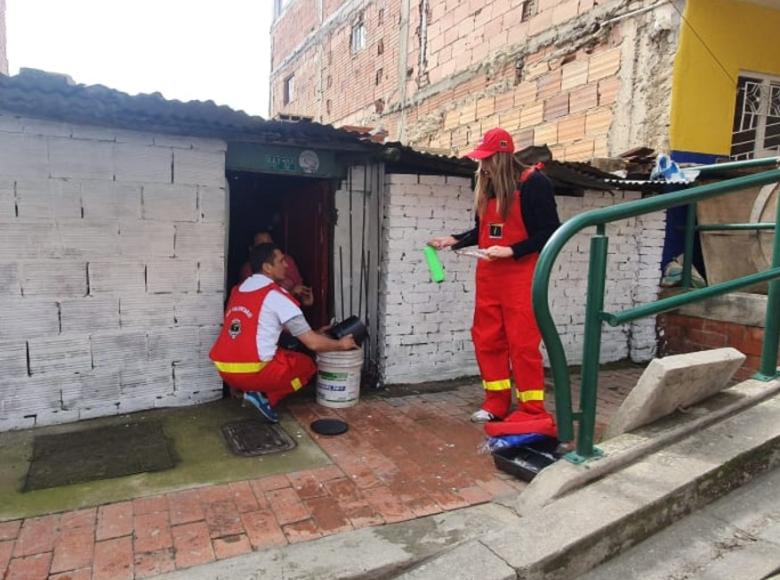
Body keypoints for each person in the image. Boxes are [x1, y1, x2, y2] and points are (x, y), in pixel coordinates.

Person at [428, 127, 560, 438]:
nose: (482, 166)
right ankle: (496, 402)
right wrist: (455, 240)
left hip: (520, 277)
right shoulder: (485, 186)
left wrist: (513, 250)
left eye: (486, 160)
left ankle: (531, 409)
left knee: (523, 343)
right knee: (487, 339)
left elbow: (549, 232)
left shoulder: (535, 184)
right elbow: (484, 232)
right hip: (488, 276)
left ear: (501, 157)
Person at [210, 243, 357, 422]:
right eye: (281, 261)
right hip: (252, 372)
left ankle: (248, 388)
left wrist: (314, 332)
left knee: (278, 352)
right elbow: (313, 344)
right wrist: (341, 345)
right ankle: (263, 397)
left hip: (226, 372)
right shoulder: (276, 296)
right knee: (307, 366)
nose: (286, 265)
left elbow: (261, 324)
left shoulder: (238, 290)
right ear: (267, 267)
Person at [239, 231, 313, 306]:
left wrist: (304, 298)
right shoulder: (249, 269)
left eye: (270, 245)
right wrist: (291, 293)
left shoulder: (286, 261)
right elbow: (262, 303)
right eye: (262, 246)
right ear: (252, 249)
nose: (285, 265)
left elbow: (299, 289)